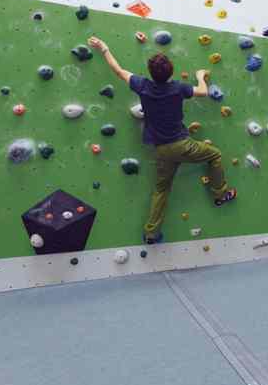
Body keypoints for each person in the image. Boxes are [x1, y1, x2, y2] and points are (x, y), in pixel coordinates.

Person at [87, 36, 236, 244]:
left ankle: (151, 233)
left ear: (150, 73)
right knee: (215, 154)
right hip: (183, 145)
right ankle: (221, 193)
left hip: (162, 149)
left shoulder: (143, 86)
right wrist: (201, 76)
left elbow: (119, 70)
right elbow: (202, 91)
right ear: (171, 71)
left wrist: (104, 48)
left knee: (161, 190)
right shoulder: (177, 88)